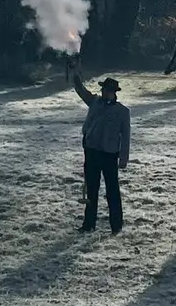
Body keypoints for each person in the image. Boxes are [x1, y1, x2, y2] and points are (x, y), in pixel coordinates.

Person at [71, 68, 131, 234]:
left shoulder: (123, 112)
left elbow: (126, 136)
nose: (106, 93)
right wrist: (76, 74)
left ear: (114, 93)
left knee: (112, 191)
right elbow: (81, 90)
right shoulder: (94, 101)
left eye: (109, 91)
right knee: (92, 190)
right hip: (92, 152)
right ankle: (89, 224)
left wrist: (123, 158)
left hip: (110, 155)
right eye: (104, 90)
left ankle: (116, 226)